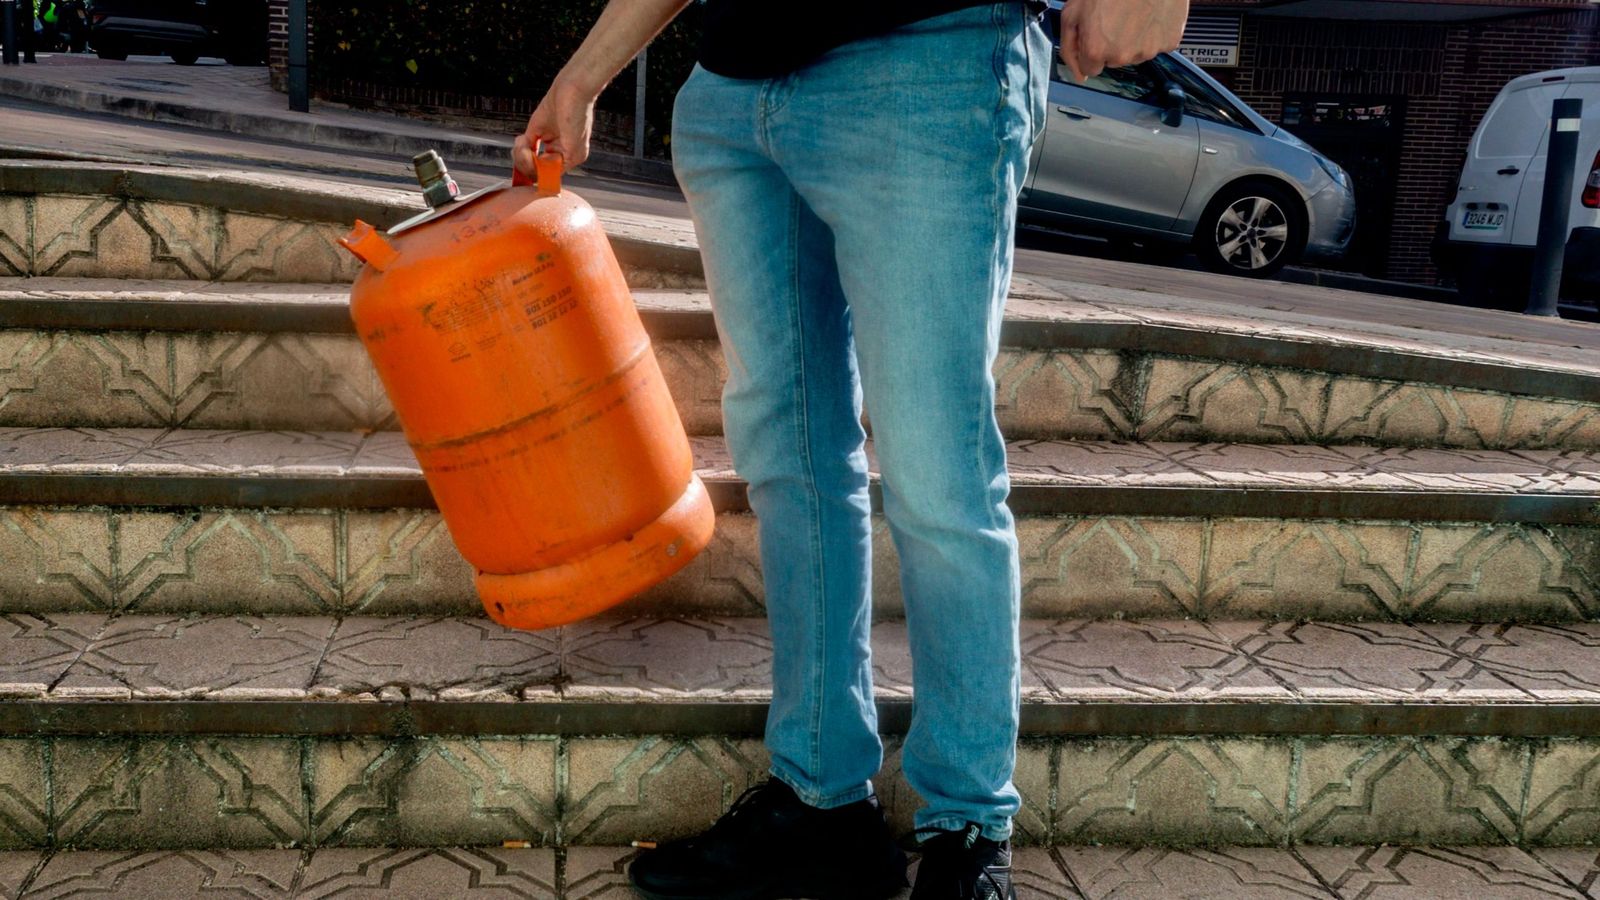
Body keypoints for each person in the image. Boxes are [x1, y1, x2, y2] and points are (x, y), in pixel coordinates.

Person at [514, 0, 1188, 896]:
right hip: (731, 92)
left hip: (928, 57)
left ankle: (967, 827)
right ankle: (820, 801)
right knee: (788, 459)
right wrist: (582, 74)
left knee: (938, 471)